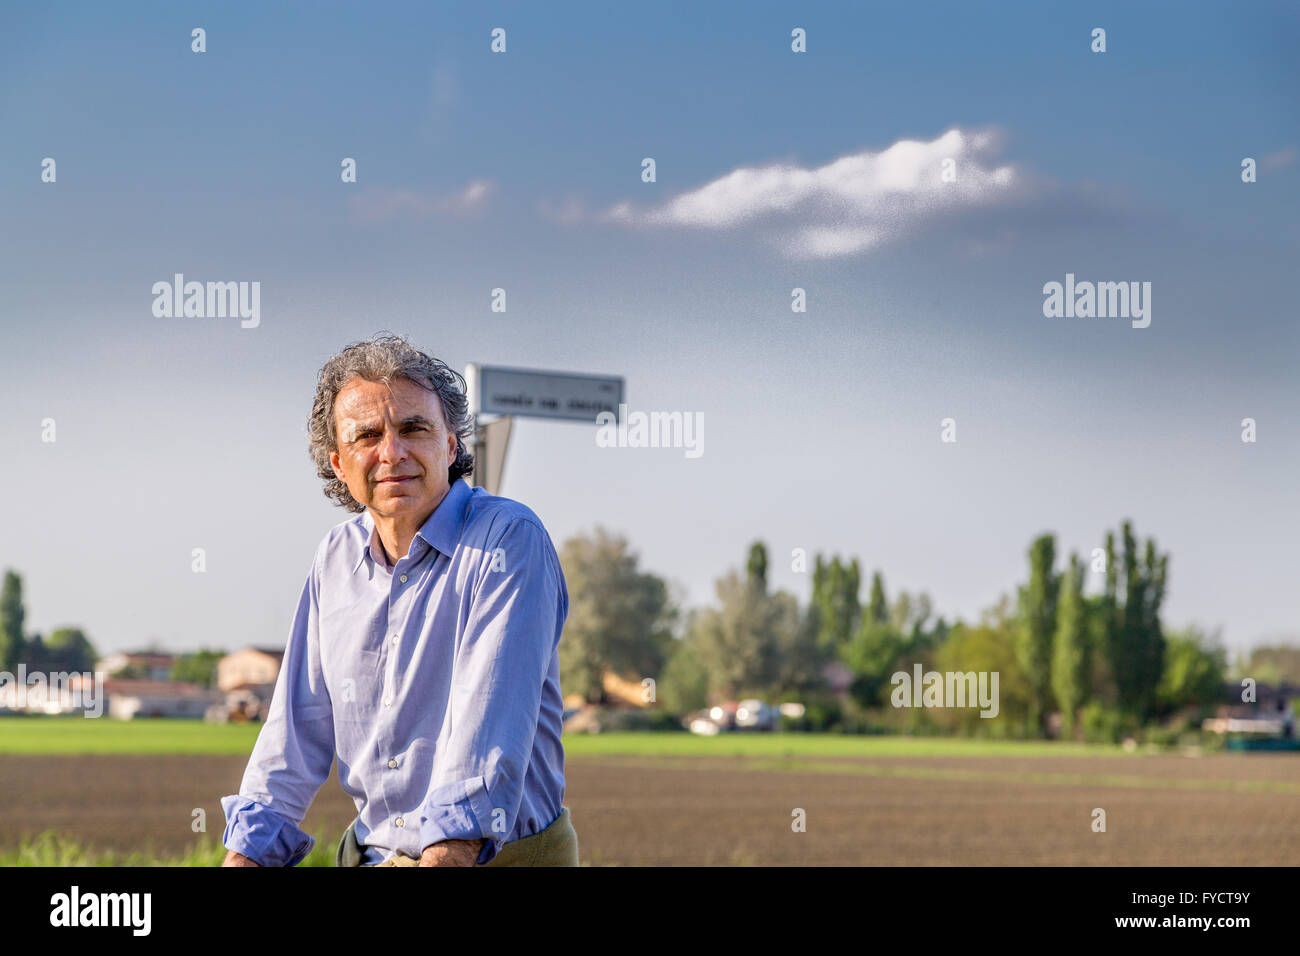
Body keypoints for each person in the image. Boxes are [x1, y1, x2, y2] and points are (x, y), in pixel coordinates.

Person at [219, 333, 576, 867]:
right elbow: (294, 732)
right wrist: (245, 856)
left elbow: (485, 739)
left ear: (451, 446)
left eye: (414, 428)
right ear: (339, 463)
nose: (393, 453)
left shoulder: (508, 540)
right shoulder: (334, 560)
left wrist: (445, 855)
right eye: (368, 436)